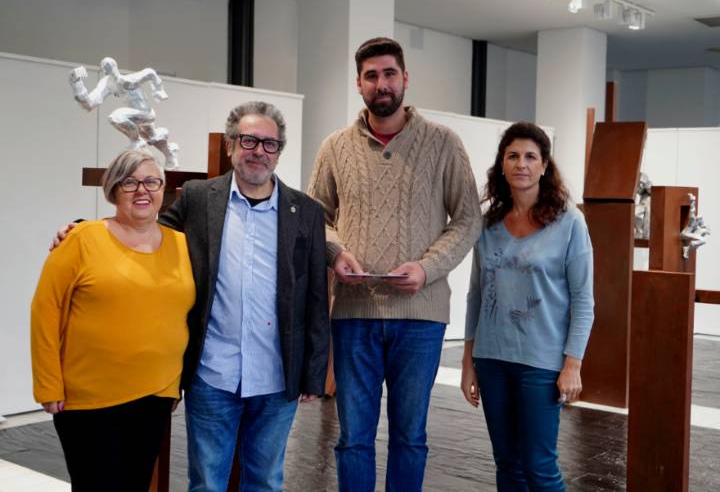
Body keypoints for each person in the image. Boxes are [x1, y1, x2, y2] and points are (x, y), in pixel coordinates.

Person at [52, 101, 330, 491]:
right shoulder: (200, 198)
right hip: (212, 373)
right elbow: (145, 232)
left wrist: (313, 372)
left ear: (279, 151)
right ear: (231, 146)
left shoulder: (306, 211)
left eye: (270, 144)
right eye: (249, 141)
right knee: (206, 482)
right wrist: (86, 230)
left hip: (276, 374)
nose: (259, 151)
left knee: (266, 480)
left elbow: (315, 296)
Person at [307, 37, 482, 491]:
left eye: (389, 73)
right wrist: (335, 254)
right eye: (371, 76)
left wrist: (427, 268)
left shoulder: (443, 143)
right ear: (358, 84)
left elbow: (468, 219)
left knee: (410, 438)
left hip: (420, 318)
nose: (381, 84)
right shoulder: (334, 147)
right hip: (353, 314)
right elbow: (315, 218)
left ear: (405, 77)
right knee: (353, 439)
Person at [32, 148, 195, 491]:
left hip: (156, 394)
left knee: (135, 484)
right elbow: (45, 311)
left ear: (163, 189)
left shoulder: (182, 245)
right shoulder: (81, 238)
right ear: (113, 190)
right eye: (129, 182)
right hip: (88, 398)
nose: (142, 190)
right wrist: (48, 384)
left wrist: (175, 385)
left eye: (151, 182)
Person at [461, 122, 594, 491]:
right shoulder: (487, 223)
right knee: (507, 463)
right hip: (492, 359)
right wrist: (468, 361)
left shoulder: (570, 222)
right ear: (502, 165)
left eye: (531, 157)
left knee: (539, 466)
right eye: (513, 156)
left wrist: (573, 364)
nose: (521, 164)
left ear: (544, 166)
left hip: (542, 363)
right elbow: (476, 294)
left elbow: (584, 299)